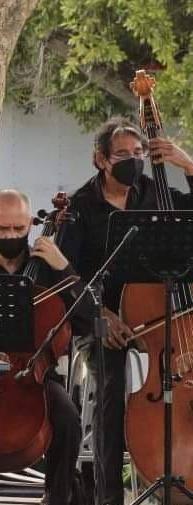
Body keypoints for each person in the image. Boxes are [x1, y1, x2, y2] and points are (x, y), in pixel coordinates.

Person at [60, 117, 193, 505]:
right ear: (101, 159)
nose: (133, 161)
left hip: (161, 314)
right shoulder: (80, 207)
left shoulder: (155, 191)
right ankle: (108, 498)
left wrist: (188, 166)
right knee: (110, 391)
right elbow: (64, 275)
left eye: (139, 154)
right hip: (104, 320)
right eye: (123, 155)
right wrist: (99, 314)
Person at [0, 189, 92, 505]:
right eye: (3, 229)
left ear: (30, 223)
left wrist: (65, 269)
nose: (12, 235)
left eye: (19, 229)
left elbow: (88, 320)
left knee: (68, 420)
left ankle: (57, 498)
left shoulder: (51, 268)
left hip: (34, 376)